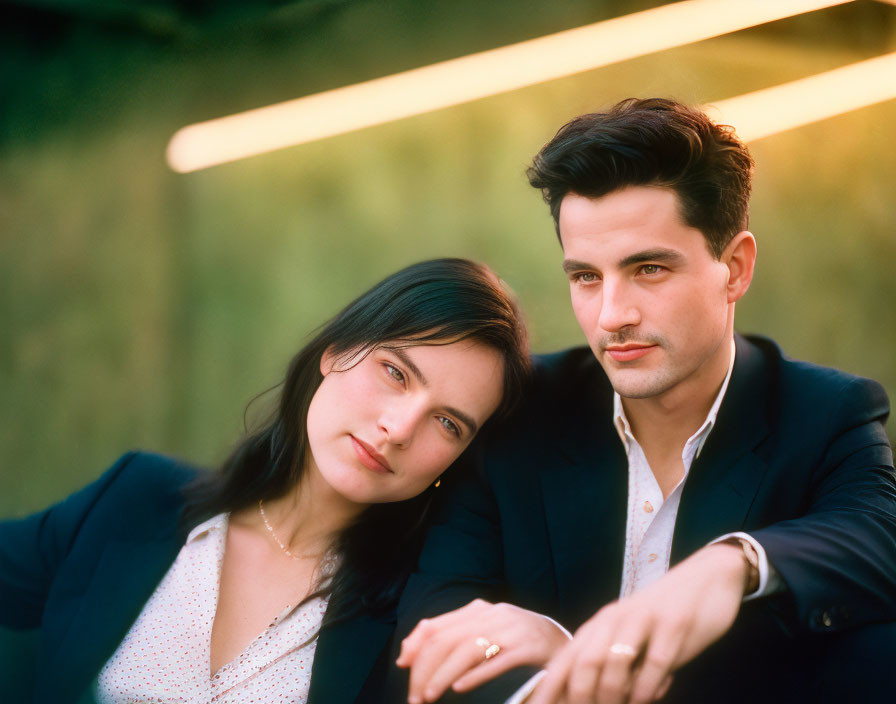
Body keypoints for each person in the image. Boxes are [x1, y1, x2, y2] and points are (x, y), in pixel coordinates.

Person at [394, 99, 896, 704]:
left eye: (649, 268)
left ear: (734, 268)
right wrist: (563, 654)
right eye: (586, 277)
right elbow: (437, 622)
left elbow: (879, 536)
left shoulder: (825, 413)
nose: (612, 316)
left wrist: (730, 567)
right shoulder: (518, 411)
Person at [0, 257, 530, 704]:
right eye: (395, 372)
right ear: (337, 351)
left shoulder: (411, 619)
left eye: (447, 423)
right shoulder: (138, 498)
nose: (398, 428)